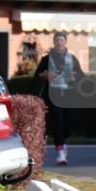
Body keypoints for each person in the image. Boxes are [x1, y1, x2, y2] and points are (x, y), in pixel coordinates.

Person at [35, 32, 85, 165]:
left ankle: (63, 142)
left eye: (61, 40)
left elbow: (81, 75)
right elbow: (37, 75)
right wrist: (44, 75)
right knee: (58, 122)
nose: (59, 42)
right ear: (54, 42)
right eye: (57, 40)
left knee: (67, 124)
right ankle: (60, 152)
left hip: (69, 95)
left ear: (65, 42)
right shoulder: (47, 59)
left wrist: (75, 77)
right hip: (52, 95)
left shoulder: (72, 58)